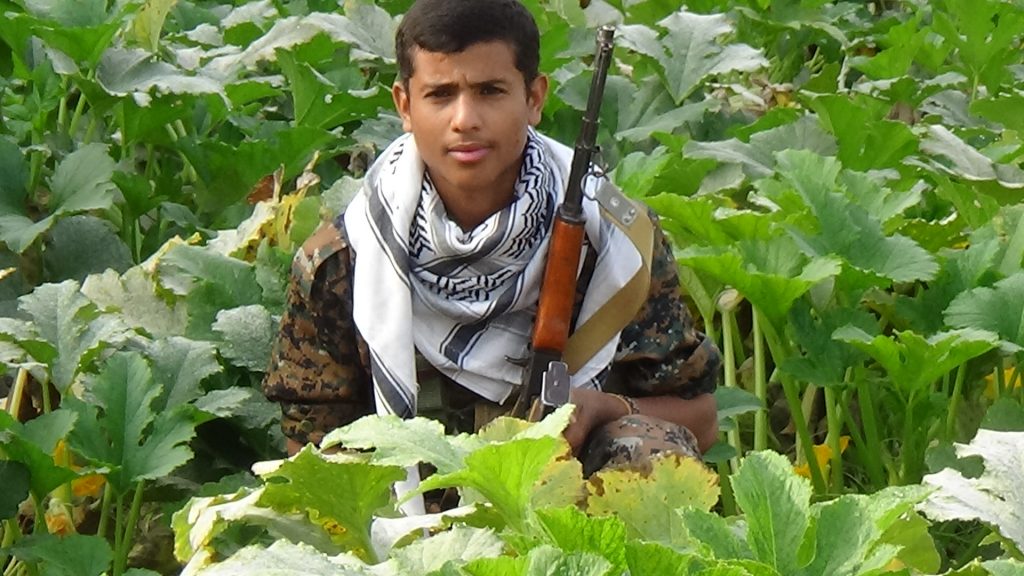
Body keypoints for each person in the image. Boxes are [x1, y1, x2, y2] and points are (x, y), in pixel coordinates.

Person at [263, 0, 720, 478]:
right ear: (405, 106)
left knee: (647, 448)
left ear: (534, 99)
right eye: (440, 94)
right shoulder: (343, 259)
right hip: (408, 506)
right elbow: (312, 450)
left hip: (573, 501)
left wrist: (602, 408)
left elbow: (701, 420)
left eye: (490, 91)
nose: (465, 119)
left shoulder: (616, 242)